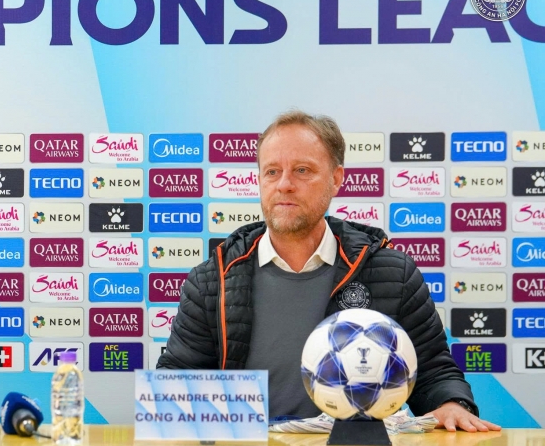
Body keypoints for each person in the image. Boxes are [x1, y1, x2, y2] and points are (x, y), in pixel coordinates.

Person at [158, 111, 499, 433]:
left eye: (302, 170)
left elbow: (434, 370)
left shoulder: (392, 271)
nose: (285, 184)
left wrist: (451, 404)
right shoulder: (212, 279)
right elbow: (175, 384)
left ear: (336, 179)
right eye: (272, 171)